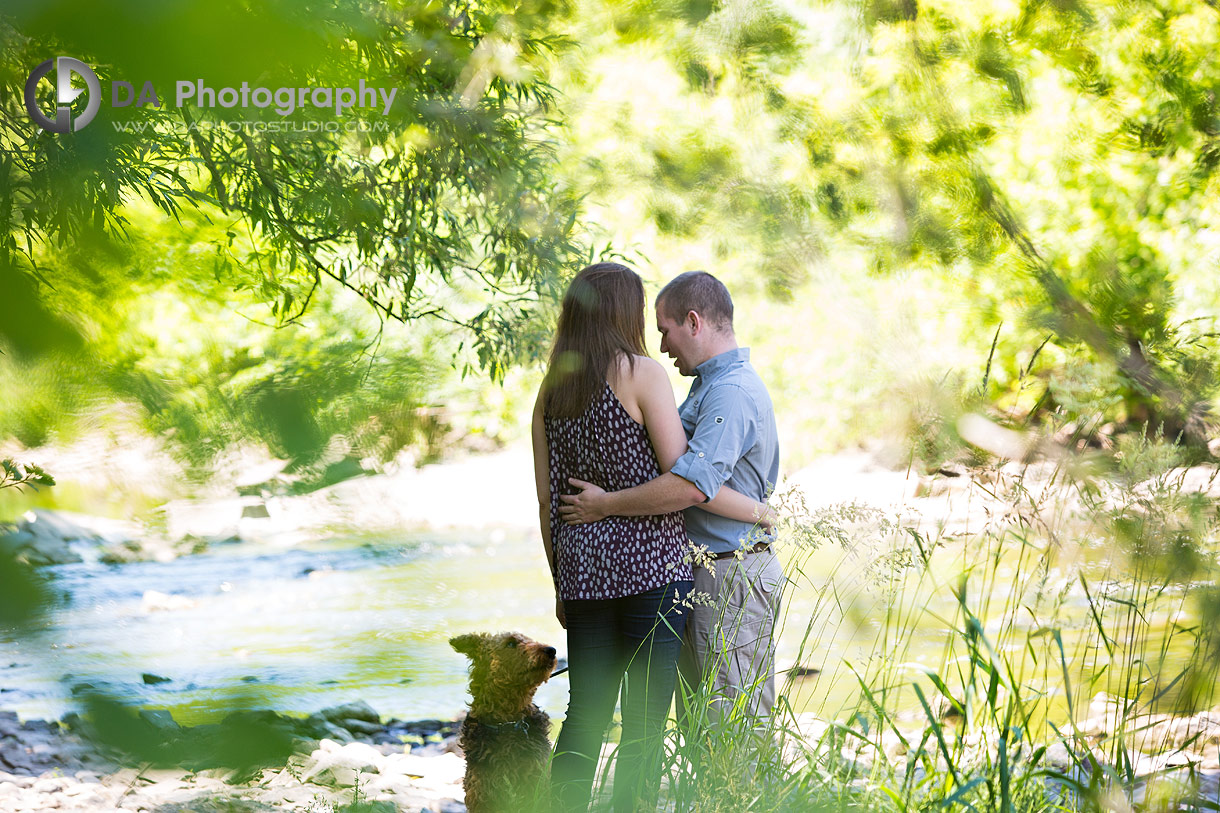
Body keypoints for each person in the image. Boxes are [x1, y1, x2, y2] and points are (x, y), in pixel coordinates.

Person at [533, 263, 772, 812]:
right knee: (644, 719)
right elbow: (682, 474)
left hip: (584, 573)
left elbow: (548, 503)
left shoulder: (551, 391)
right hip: (653, 572)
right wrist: (762, 512)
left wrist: (560, 584)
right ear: (624, 312)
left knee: (586, 711)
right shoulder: (642, 373)